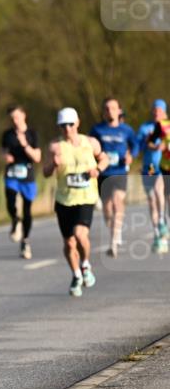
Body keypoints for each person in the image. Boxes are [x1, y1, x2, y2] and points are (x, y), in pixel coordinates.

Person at [42, 107, 108, 297]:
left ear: (77, 123)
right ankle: (76, 274)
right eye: (63, 125)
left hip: (86, 198)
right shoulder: (55, 146)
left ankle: (86, 264)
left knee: (80, 235)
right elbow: (45, 173)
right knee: (69, 244)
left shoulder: (91, 143)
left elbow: (104, 159)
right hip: (64, 200)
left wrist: (98, 170)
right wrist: (53, 165)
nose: (67, 128)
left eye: (70, 124)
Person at [88, 97, 135, 257]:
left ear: (119, 110)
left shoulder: (126, 130)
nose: (110, 111)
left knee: (117, 201)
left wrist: (131, 156)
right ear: (103, 111)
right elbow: (89, 148)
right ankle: (114, 230)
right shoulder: (97, 130)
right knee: (107, 208)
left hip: (120, 171)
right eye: (107, 108)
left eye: (113, 108)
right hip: (104, 173)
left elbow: (134, 145)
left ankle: (114, 241)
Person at [1, 105, 41, 259]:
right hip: (11, 173)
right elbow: (3, 151)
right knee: (10, 199)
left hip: (27, 175)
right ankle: (15, 220)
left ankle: (25, 241)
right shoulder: (7, 134)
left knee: (27, 209)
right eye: (12, 118)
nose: (14, 121)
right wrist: (5, 156)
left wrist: (25, 145)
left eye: (17, 117)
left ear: (24, 116)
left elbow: (37, 157)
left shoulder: (32, 134)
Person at [134, 99, 170, 254]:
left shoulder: (167, 126)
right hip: (150, 166)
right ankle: (157, 231)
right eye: (154, 110)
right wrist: (153, 145)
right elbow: (140, 145)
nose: (157, 113)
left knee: (162, 195)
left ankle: (163, 222)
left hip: (165, 166)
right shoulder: (145, 127)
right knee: (152, 198)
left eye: (159, 110)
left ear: (164, 111)